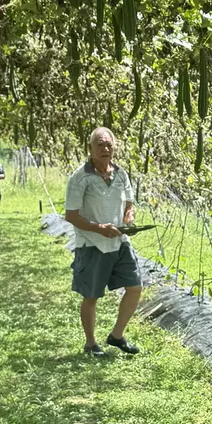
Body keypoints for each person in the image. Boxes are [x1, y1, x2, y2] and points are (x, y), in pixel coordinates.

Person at [64, 126, 143, 356]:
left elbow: (129, 203)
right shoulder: (81, 178)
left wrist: (129, 217)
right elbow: (71, 215)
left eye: (109, 144)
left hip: (119, 241)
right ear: (90, 148)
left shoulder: (121, 174)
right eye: (100, 144)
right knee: (91, 295)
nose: (105, 148)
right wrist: (99, 228)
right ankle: (90, 343)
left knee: (135, 287)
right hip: (92, 243)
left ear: (114, 148)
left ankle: (116, 336)